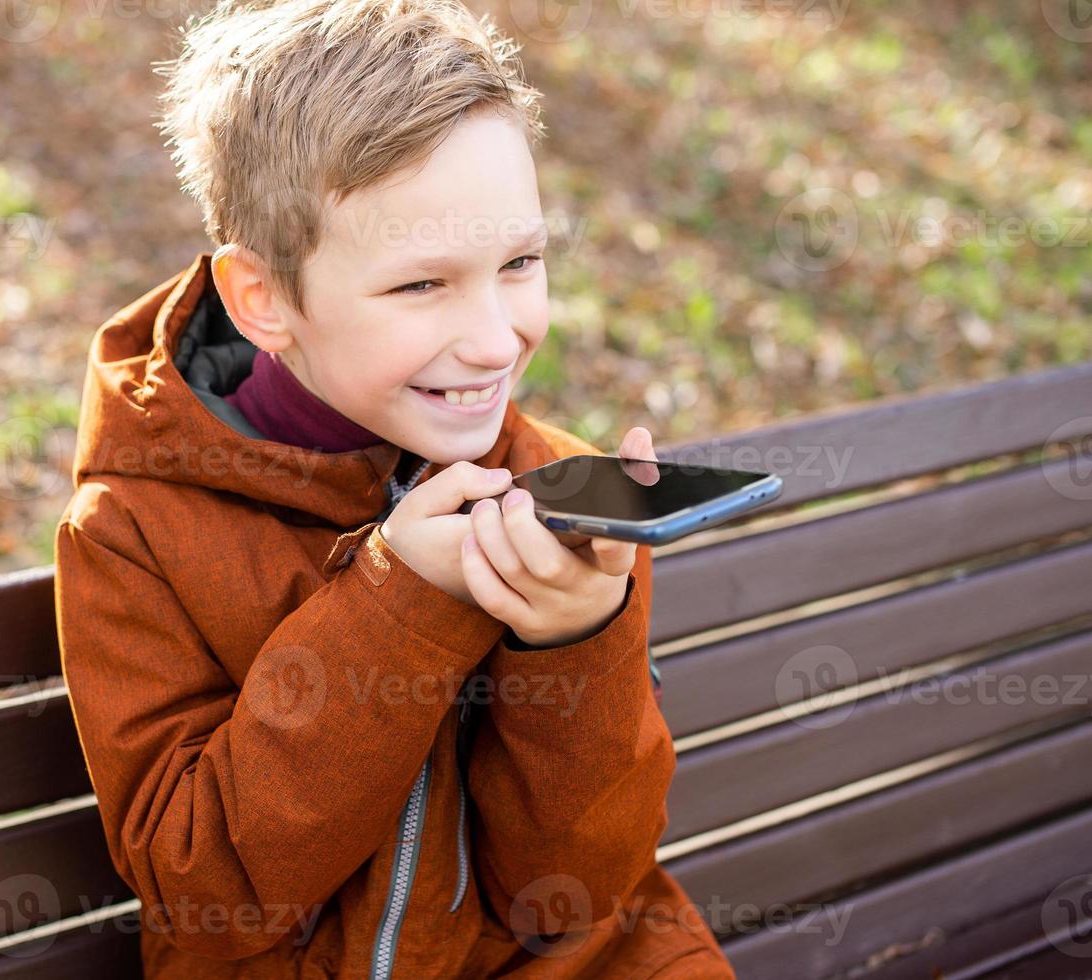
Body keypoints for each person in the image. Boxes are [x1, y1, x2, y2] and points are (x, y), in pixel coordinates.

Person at [53, 0, 734, 975]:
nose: (498, 338)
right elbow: (207, 892)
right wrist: (399, 603)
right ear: (265, 299)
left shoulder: (552, 493)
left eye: (521, 263)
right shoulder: (136, 533)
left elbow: (580, 889)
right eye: (423, 285)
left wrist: (577, 640)